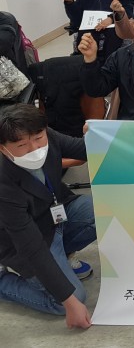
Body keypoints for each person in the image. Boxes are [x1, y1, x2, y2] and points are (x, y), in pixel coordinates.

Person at [0, 104, 95, 329]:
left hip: (56, 214)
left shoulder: (45, 135)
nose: (34, 148)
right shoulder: (3, 182)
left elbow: (84, 149)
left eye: (38, 138)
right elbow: (30, 245)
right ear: (3, 148)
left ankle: (61, 257)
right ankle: (3, 283)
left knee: (103, 211)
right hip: (24, 240)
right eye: (21, 145)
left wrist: (97, 136)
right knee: (68, 301)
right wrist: (69, 301)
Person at [61, 0, 134, 62]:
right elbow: (76, 17)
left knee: (113, 38)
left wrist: (111, 18)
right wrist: (70, 2)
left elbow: (130, 7)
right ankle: (89, 65)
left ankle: (110, 65)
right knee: (85, 39)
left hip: (113, 23)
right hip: (91, 25)